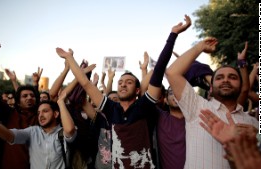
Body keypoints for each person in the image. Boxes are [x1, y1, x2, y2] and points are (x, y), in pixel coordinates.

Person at [56, 14, 191, 168]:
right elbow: (86, 84)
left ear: (138, 89)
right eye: (120, 82)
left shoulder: (144, 106)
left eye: (129, 82)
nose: (123, 85)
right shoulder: (111, 108)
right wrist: (69, 58)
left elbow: (159, 69)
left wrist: (173, 35)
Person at [166, 37, 258, 169]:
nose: (226, 80)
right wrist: (200, 47)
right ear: (211, 86)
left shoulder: (253, 124)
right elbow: (172, 73)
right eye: (219, 78)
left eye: (232, 77)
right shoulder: (196, 106)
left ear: (241, 85)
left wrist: (258, 139)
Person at [0, 91, 77, 169]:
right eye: (38, 113)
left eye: (45, 111)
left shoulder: (62, 133)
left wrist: (61, 102)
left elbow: (70, 129)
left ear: (56, 114)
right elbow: (8, 135)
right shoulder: (33, 131)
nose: (40, 115)